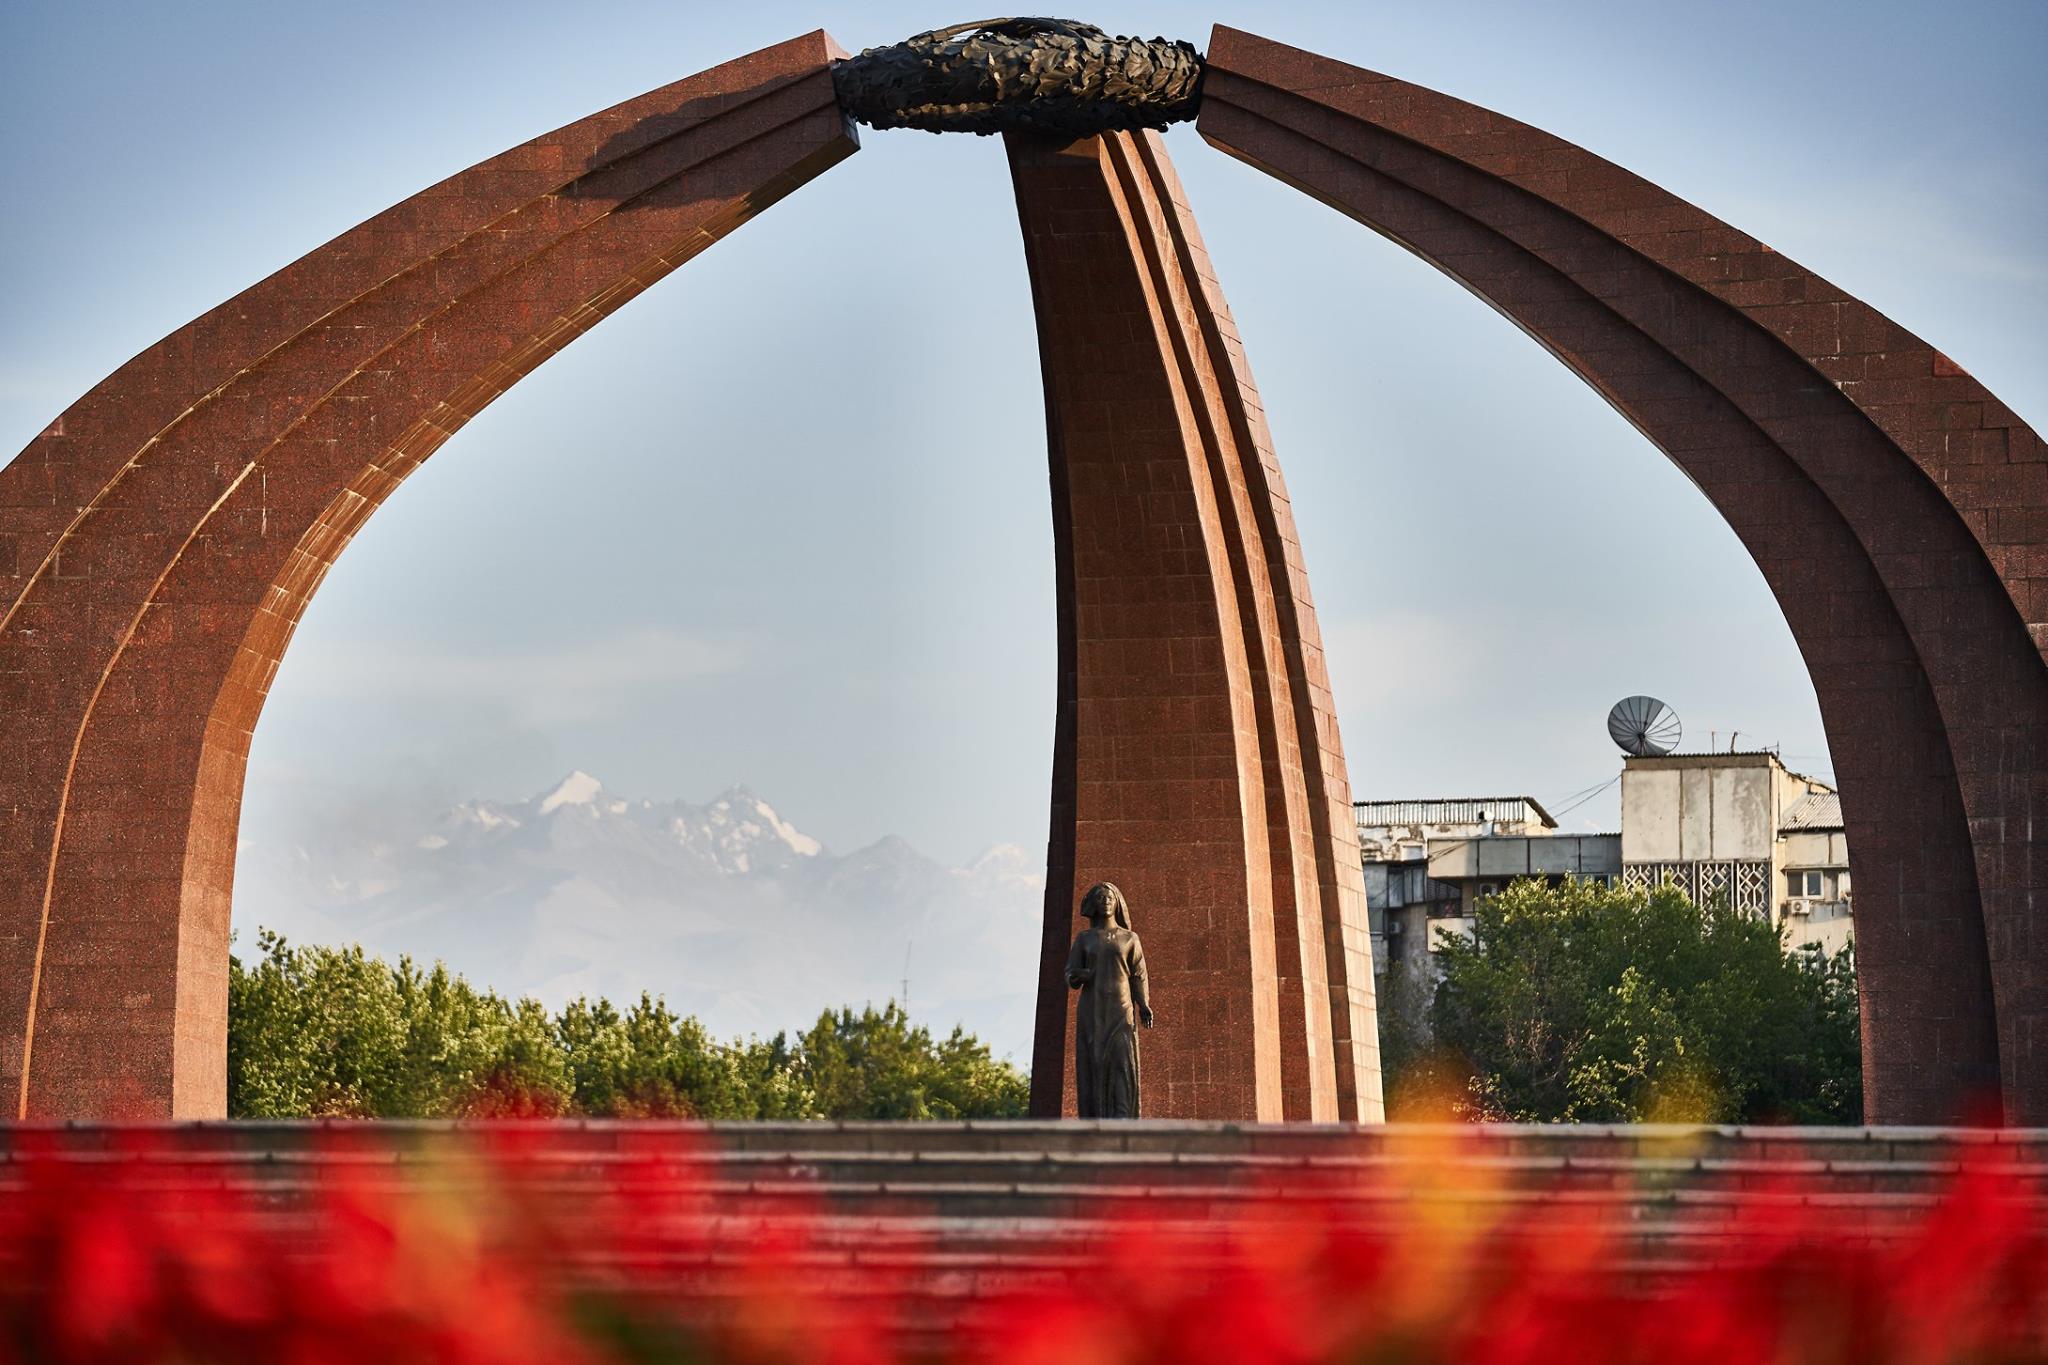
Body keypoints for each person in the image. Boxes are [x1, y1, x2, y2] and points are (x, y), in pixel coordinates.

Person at [1065, 881, 1153, 1118]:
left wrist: (1143, 1004)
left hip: (1122, 1008)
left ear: (1117, 905)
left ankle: (1123, 1117)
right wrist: (1079, 975)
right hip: (1093, 1009)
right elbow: (1070, 973)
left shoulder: (1129, 938)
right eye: (1101, 899)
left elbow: (1139, 974)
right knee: (1094, 1062)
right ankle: (1096, 1118)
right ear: (1093, 905)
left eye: (1109, 899)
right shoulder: (1085, 939)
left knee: (1121, 1061)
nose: (1105, 902)